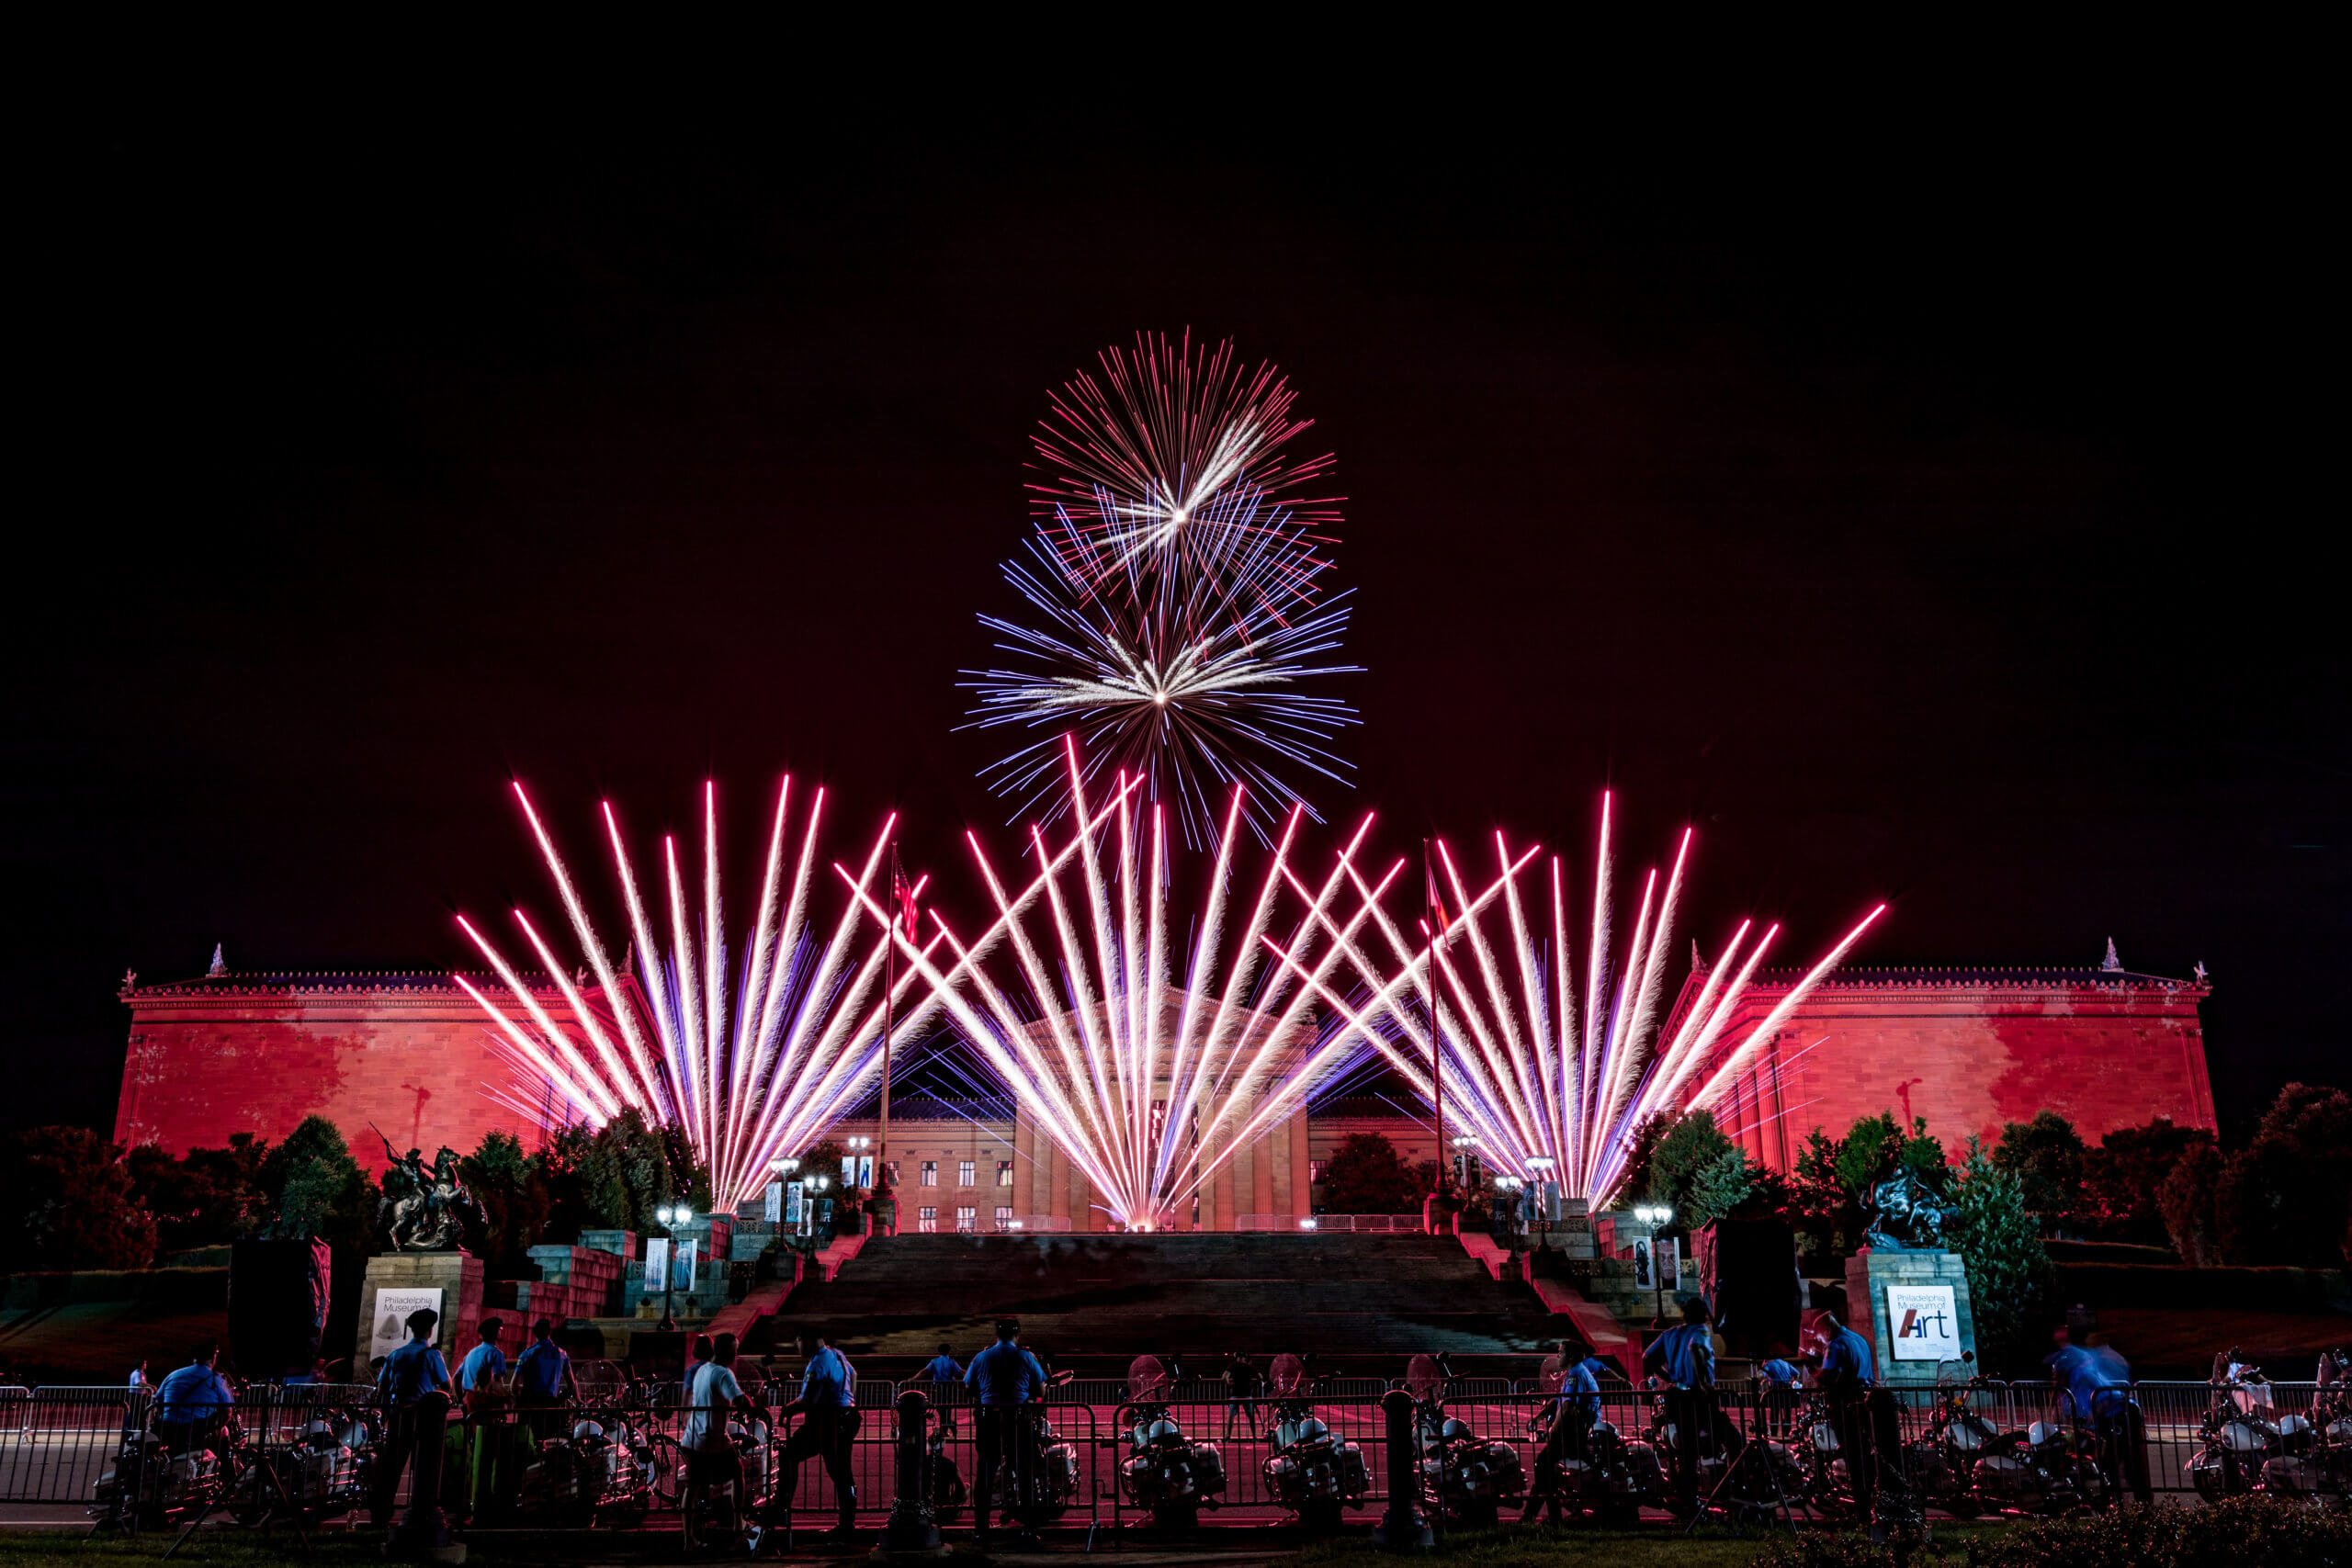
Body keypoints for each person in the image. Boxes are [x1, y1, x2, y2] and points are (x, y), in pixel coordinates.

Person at [757, 1331, 860, 1546]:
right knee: (841, 1472)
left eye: (798, 1341)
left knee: (791, 1455)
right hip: (843, 1418)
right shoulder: (837, 1354)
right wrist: (849, 1402)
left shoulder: (816, 1364)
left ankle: (782, 1507)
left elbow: (808, 1399)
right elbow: (854, 1375)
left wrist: (787, 1409)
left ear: (807, 1340)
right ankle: (846, 1525)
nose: (797, 1347)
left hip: (827, 1421)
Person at [965, 1318, 1047, 1539]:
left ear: (996, 1335)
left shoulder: (981, 1357)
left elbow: (969, 1385)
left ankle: (981, 1528)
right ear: (1017, 1335)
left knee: (985, 1473)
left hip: (988, 1418)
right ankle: (1029, 1527)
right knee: (1025, 1473)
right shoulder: (1025, 1357)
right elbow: (1041, 1390)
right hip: (1018, 1418)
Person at [371, 1308, 454, 1526]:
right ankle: (422, 1509)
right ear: (430, 1330)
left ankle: (381, 1512)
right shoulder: (431, 1355)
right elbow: (447, 1384)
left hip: (398, 1415)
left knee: (392, 1466)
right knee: (425, 1465)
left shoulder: (396, 1355)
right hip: (423, 1416)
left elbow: (382, 1386)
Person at [1645, 1299, 1724, 1514]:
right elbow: (1696, 1350)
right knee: (1732, 1438)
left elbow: (1647, 1357)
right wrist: (1703, 1384)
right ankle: (1729, 1488)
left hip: (1677, 1395)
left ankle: (1687, 1497)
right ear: (1704, 1315)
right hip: (1697, 1396)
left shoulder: (1671, 1334)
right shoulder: (1701, 1331)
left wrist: (1667, 1377)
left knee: (1687, 1451)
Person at [682, 1331, 755, 1549]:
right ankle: (737, 1524)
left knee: (692, 1488)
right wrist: (753, 1406)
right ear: (728, 1351)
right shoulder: (723, 1374)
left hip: (693, 1437)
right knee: (738, 1472)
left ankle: (689, 1539)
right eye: (735, 1350)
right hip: (712, 1439)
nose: (736, 1355)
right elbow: (740, 1400)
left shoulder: (702, 1370)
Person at [1521, 1341, 1602, 1521]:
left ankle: (1540, 1517)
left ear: (1571, 1356)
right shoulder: (1573, 1373)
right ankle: (1541, 1517)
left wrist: (1553, 1433)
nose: (1558, 1356)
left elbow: (1567, 1409)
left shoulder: (1576, 1375)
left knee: (1543, 1467)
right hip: (1574, 1433)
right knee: (1546, 1473)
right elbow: (1559, 1401)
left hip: (1574, 1435)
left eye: (1561, 1352)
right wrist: (1538, 1418)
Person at [2067, 1335, 2149, 1504]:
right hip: (2124, 1410)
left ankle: (2116, 1498)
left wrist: (2087, 1414)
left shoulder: (2092, 1363)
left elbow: (2099, 1389)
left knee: (2112, 1459)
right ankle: (2137, 1498)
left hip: (2115, 1413)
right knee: (2128, 1458)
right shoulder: (2112, 1358)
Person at [1815, 1311, 1880, 1514]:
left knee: (1852, 1452)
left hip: (1845, 1405)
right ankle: (1871, 1494)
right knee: (1865, 1450)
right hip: (1865, 1401)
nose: (1818, 1338)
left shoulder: (1834, 1346)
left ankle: (1860, 1502)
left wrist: (1812, 1365)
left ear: (1827, 1329)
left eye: (1819, 1333)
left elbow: (1827, 1377)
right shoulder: (1858, 1339)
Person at [153, 1341, 236, 1463]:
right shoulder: (216, 1379)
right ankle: (225, 1471)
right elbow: (228, 1411)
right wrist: (217, 1427)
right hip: (197, 1429)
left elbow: (158, 1401)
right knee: (224, 1431)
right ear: (213, 1358)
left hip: (168, 1427)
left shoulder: (174, 1375)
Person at [457, 1318, 507, 1405]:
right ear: (495, 1332)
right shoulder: (496, 1353)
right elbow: (497, 1382)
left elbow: (456, 1378)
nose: (501, 1331)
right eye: (500, 1329)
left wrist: (460, 1400)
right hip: (484, 1402)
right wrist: (508, 1398)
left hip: (468, 1401)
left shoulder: (471, 1353)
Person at [1758, 1348, 1804, 1436]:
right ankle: (1787, 1432)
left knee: (1775, 1411)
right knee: (1787, 1411)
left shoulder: (1770, 1364)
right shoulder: (1786, 1363)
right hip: (1787, 1389)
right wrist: (1792, 1381)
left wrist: (1761, 1370)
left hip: (1776, 1389)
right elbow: (1797, 1374)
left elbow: (1761, 1375)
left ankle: (1774, 1432)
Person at [1223, 1352, 1263, 1438]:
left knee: (1231, 1416)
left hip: (1235, 1393)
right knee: (1251, 1417)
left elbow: (1224, 1377)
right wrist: (1253, 1384)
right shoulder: (1249, 1367)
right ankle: (1254, 1436)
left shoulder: (1233, 1366)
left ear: (1237, 1358)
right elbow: (1260, 1376)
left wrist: (1229, 1384)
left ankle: (1228, 1436)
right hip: (1247, 1394)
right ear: (1244, 1358)